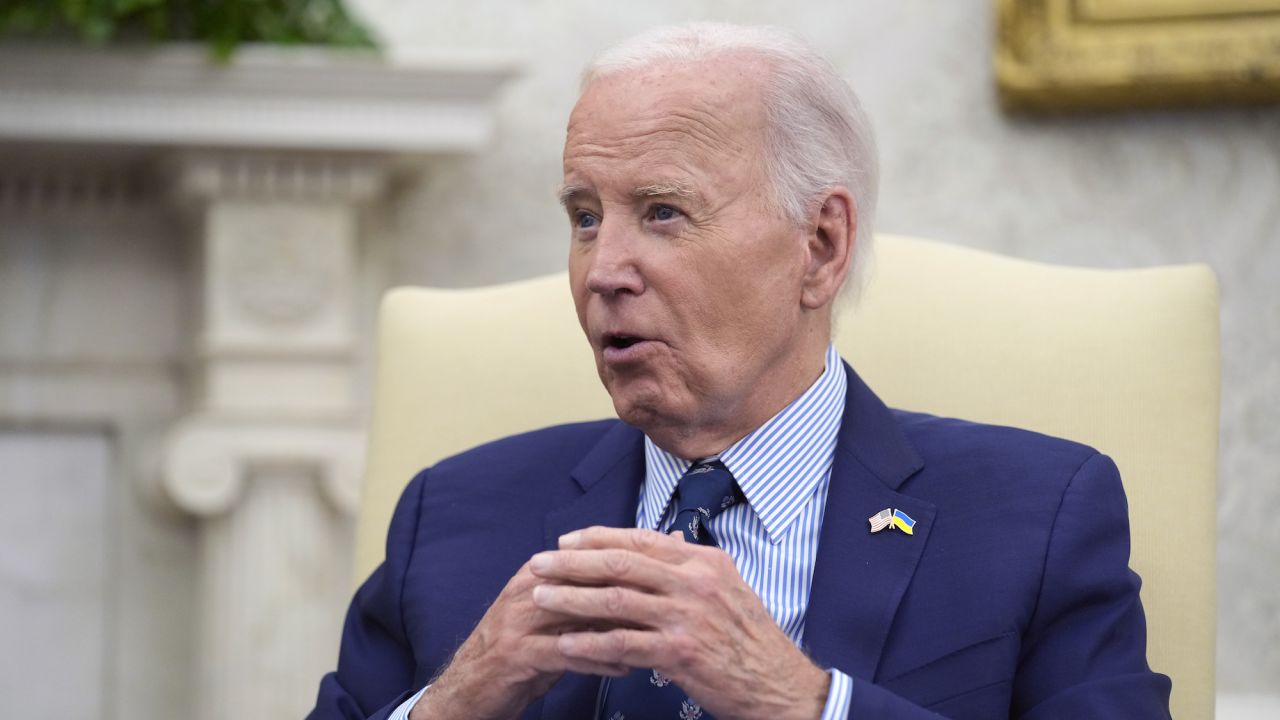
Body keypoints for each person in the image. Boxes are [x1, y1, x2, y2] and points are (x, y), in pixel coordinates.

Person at [308, 22, 1172, 720]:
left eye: (663, 212)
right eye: (582, 216)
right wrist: (455, 704)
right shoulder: (451, 513)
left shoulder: (1038, 515)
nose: (603, 267)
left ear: (821, 246)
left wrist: (806, 705)